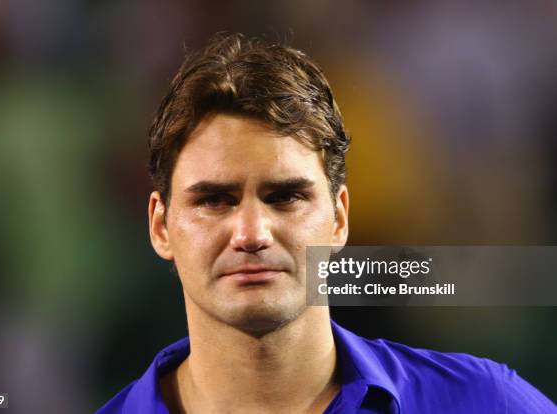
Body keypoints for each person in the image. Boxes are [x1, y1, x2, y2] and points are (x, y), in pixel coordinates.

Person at [97, 33, 555, 413]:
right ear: (160, 227)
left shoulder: (485, 402)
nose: (252, 233)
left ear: (339, 217)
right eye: (215, 200)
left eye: (285, 197)